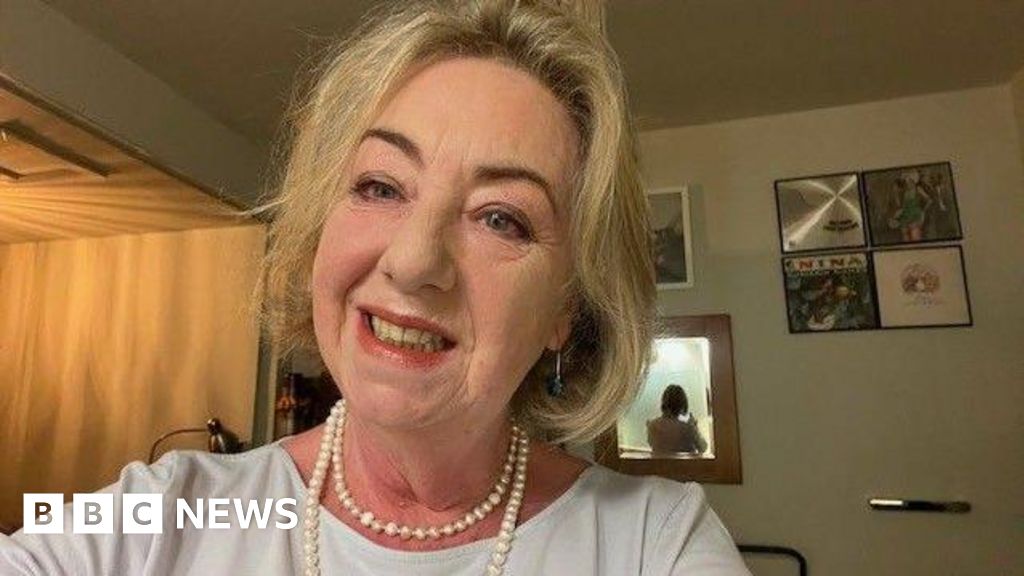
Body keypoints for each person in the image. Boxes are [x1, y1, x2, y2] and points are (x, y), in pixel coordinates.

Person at [0, 1, 751, 574]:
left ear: (567, 307)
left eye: (501, 218)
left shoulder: (655, 543)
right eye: (380, 186)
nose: (413, 260)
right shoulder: (166, 512)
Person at [647, 385, 708, 455]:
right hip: (685, 462)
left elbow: (651, 444)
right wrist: (695, 427)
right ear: (682, 404)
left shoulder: (653, 425)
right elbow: (703, 448)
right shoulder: (687, 427)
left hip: (660, 462)